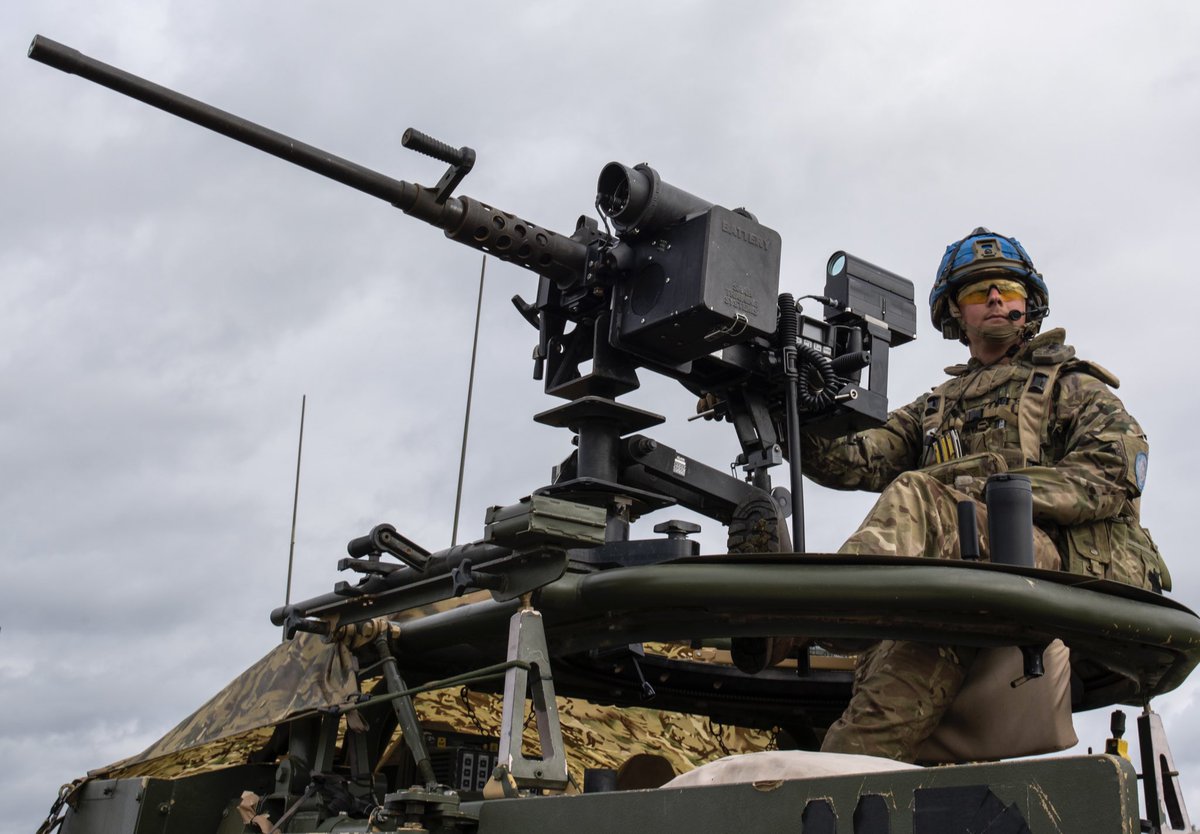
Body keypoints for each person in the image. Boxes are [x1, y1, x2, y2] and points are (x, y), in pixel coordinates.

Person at [734, 227, 1170, 762]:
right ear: (954, 315)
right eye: (975, 292)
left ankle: (801, 619)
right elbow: (853, 458)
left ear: (1027, 305)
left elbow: (1111, 472)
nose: (993, 299)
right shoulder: (936, 408)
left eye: (1006, 289)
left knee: (917, 491)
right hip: (958, 579)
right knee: (876, 715)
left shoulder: (1068, 385)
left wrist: (987, 493)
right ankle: (835, 771)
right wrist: (783, 398)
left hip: (1049, 561)